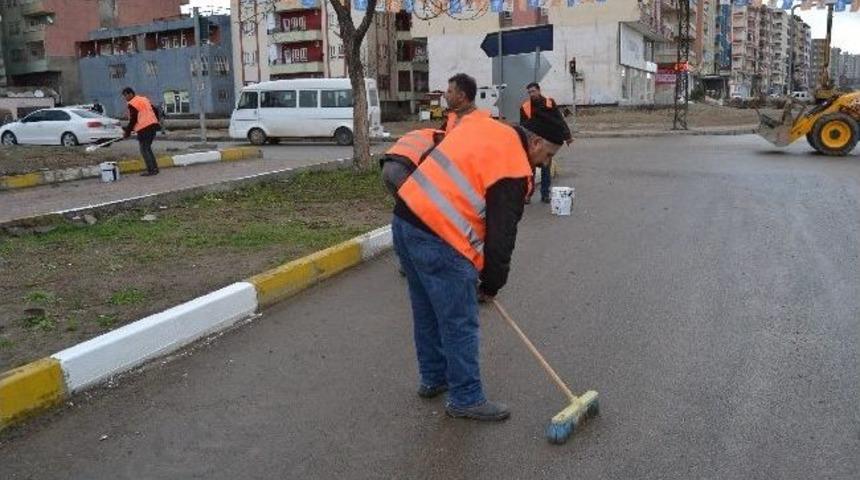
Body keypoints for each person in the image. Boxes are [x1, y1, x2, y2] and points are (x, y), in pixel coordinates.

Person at [382, 109, 567, 422]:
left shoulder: (484, 125)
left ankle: (434, 378)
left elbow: (431, 156)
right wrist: (491, 284)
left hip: (404, 221)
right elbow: (501, 237)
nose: (545, 163)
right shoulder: (513, 167)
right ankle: (466, 397)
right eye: (547, 154)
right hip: (438, 237)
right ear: (535, 141)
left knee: (426, 308)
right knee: (459, 321)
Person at [520, 82, 573, 203]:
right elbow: (523, 127)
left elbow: (559, 120)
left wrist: (567, 136)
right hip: (533, 143)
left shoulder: (549, 103)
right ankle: (527, 195)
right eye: (529, 92)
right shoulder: (525, 107)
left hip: (548, 142)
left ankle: (545, 195)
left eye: (533, 91)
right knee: (529, 170)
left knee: (545, 168)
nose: (531, 94)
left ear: (539, 90)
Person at [121, 87, 161, 176]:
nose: (125, 98)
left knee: (144, 149)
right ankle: (155, 168)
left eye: (125, 95)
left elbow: (133, 119)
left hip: (144, 128)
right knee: (147, 148)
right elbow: (155, 110)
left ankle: (151, 170)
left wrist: (127, 132)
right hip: (153, 126)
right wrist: (155, 120)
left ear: (130, 94)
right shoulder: (144, 99)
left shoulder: (132, 103)